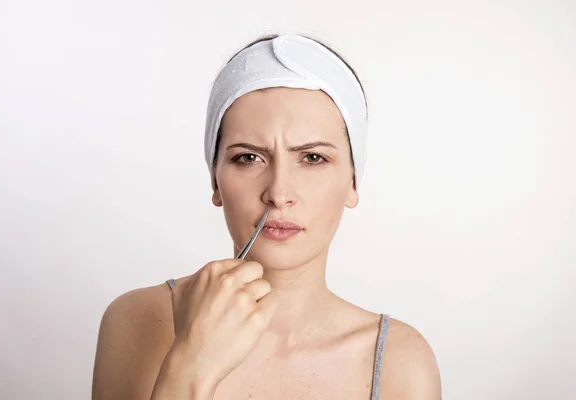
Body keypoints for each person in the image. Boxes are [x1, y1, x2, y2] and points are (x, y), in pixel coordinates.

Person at [92, 34, 441, 400]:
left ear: (353, 182)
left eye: (312, 158)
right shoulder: (137, 321)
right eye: (248, 157)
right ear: (215, 180)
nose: (278, 193)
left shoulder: (401, 363)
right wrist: (191, 363)